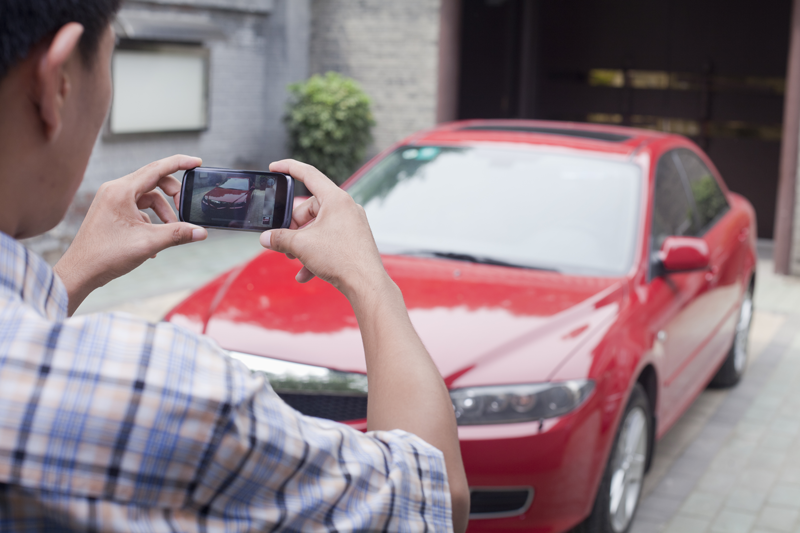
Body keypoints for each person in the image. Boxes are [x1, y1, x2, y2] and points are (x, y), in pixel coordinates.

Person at [0, 1, 470, 531]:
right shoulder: (161, 386)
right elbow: (432, 497)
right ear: (56, 83)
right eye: (108, 60)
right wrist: (368, 278)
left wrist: (69, 277)